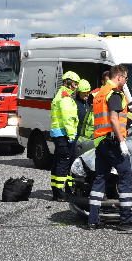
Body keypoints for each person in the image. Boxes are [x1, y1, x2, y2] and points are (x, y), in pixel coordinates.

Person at [87, 65, 132, 230]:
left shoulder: (100, 93)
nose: (126, 81)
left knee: (100, 178)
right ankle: (126, 218)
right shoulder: (114, 93)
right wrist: (122, 142)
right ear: (119, 77)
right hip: (112, 141)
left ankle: (93, 219)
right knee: (126, 175)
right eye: (126, 78)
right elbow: (114, 119)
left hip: (100, 141)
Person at [50, 71, 81, 201]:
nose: (76, 87)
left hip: (59, 134)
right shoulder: (65, 98)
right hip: (64, 135)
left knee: (58, 162)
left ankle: (58, 190)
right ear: (69, 83)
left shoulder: (61, 95)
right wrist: (72, 135)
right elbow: (68, 119)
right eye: (75, 84)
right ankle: (60, 192)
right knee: (64, 163)